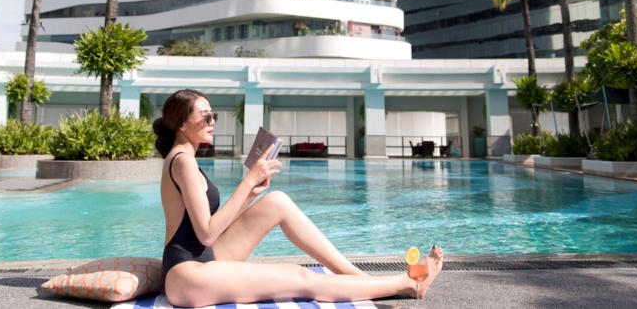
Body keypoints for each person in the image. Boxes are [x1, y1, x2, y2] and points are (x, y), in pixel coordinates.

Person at [152, 88, 443, 307]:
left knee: (277, 201)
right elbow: (206, 233)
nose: (212, 121)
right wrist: (248, 180)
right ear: (181, 123)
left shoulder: (183, 157)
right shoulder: (183, 161)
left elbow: (205, 231)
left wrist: (251, 192)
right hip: (187, 274)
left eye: (213, 115)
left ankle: (357, 277)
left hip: (204, 258)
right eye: (205, 116)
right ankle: (408, 283)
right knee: (299, 277)